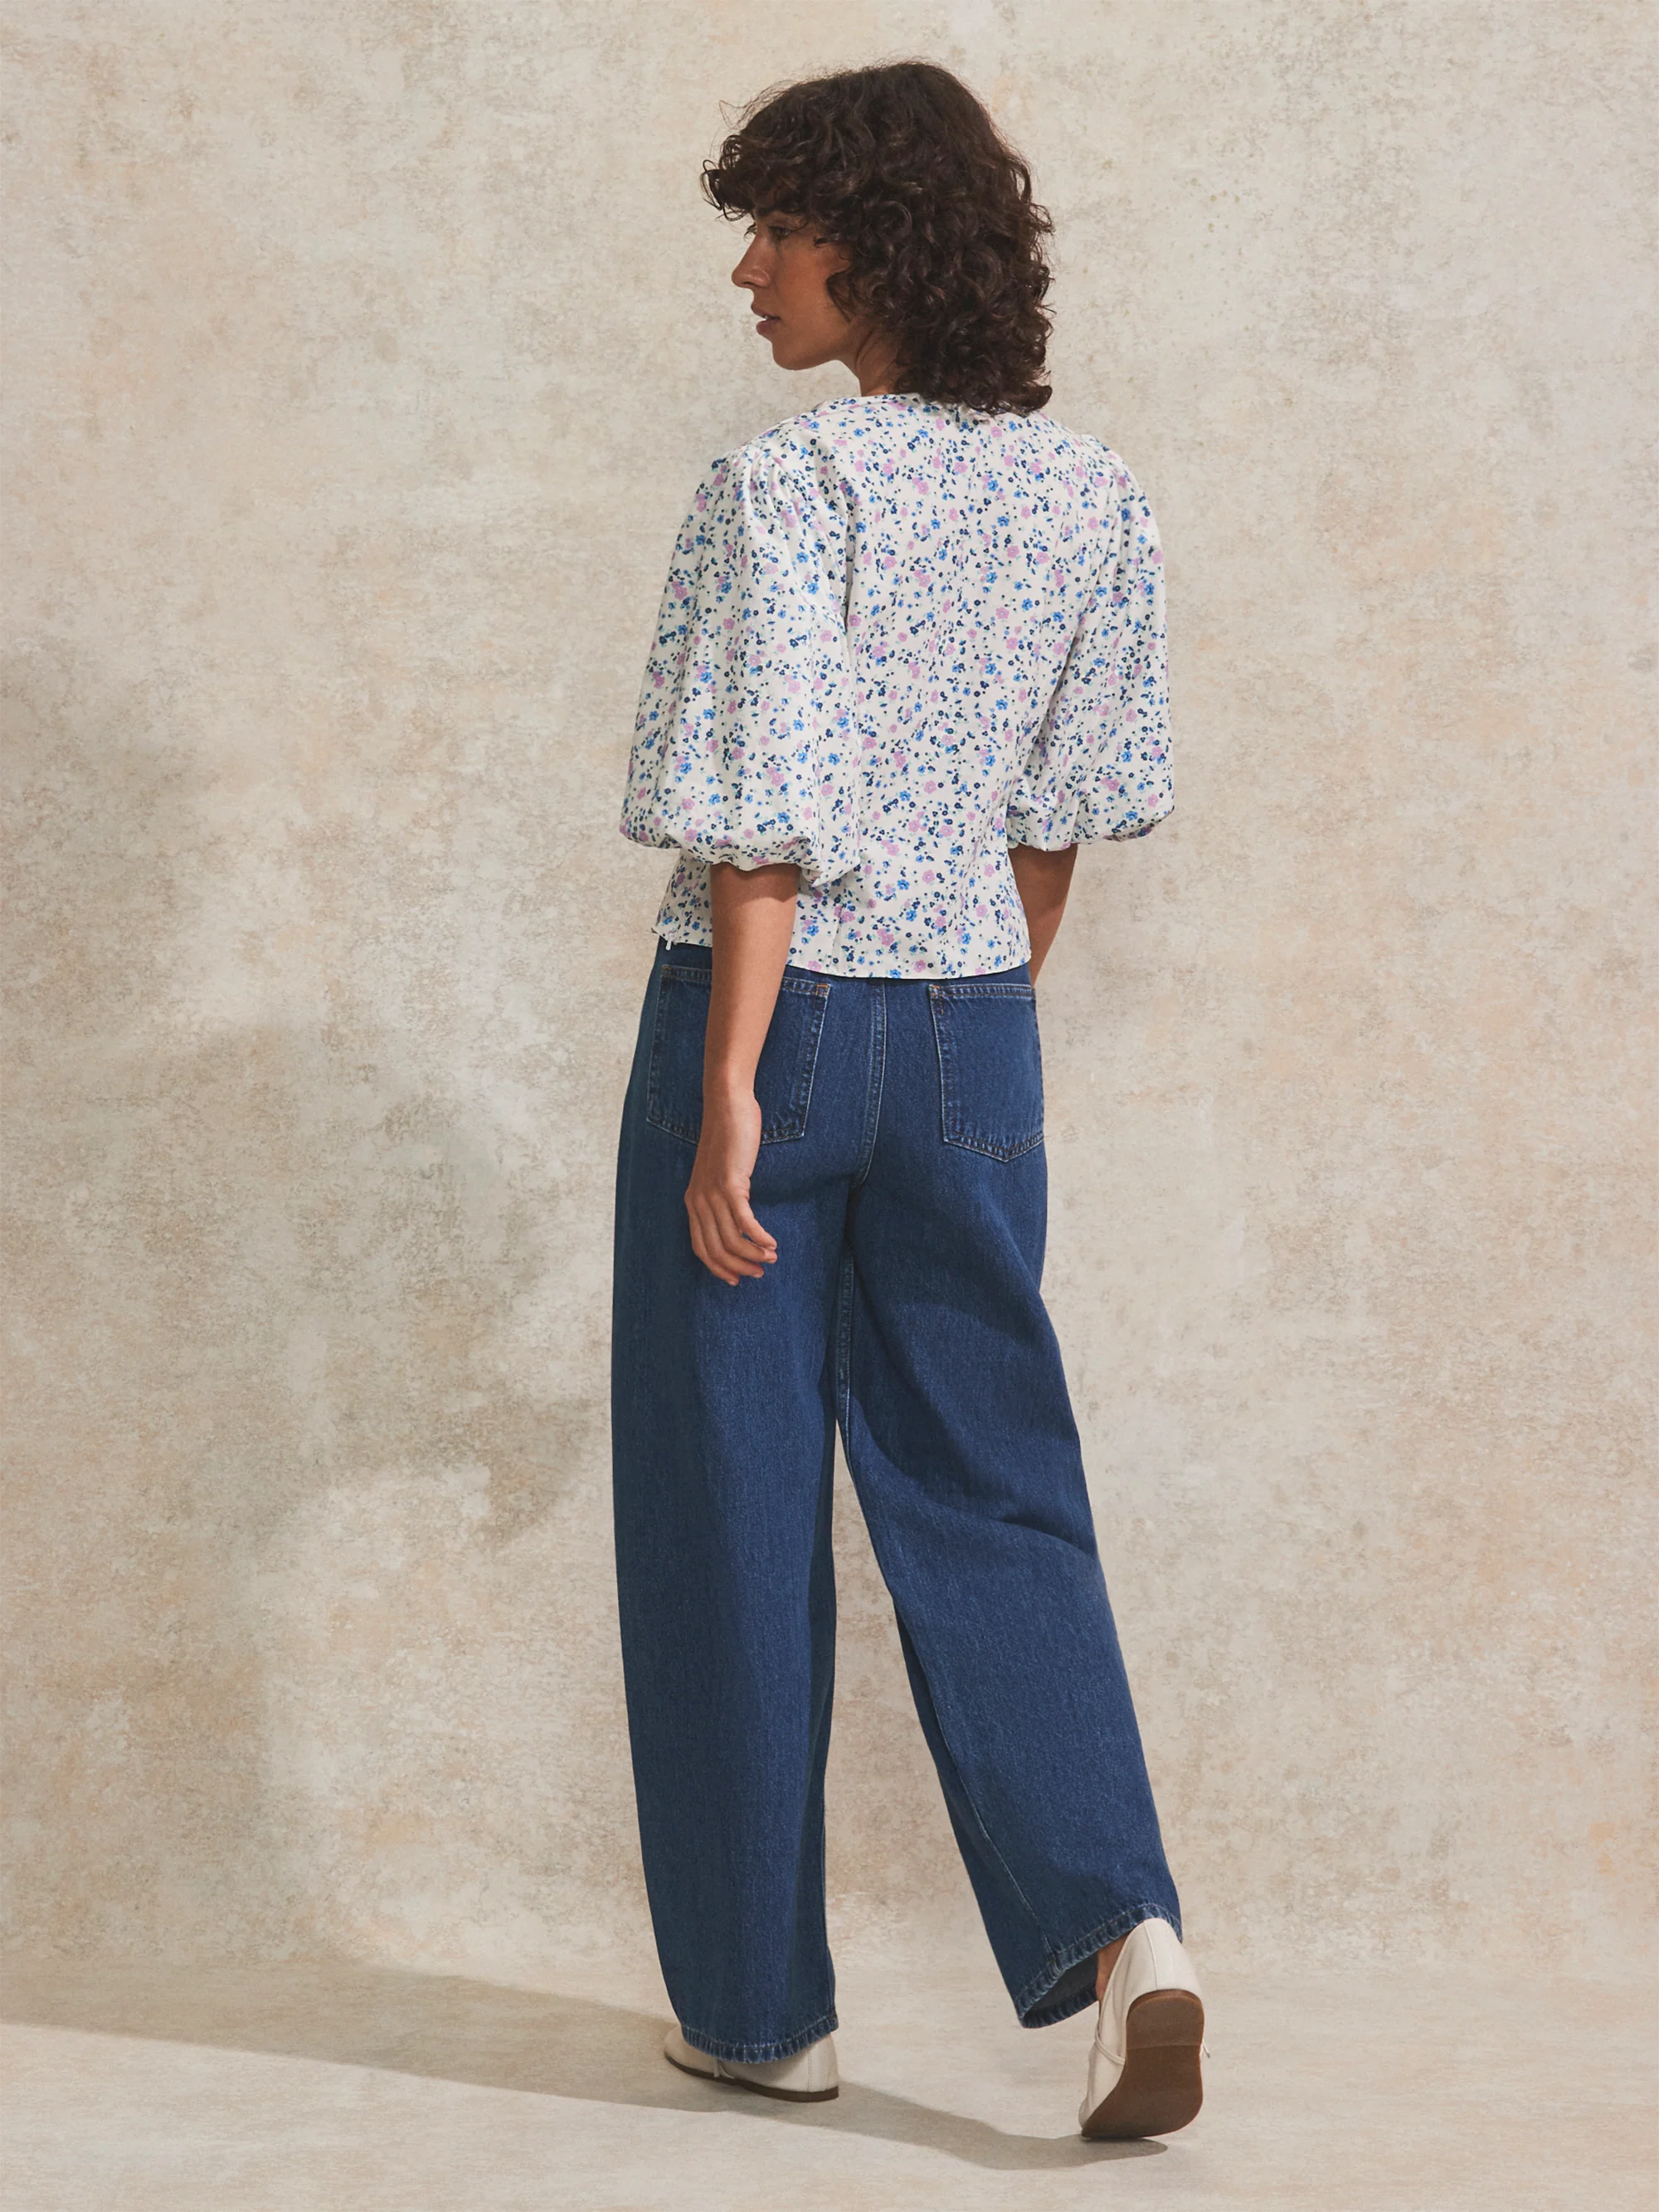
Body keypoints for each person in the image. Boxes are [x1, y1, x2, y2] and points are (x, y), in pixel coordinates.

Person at [610, 60, 1204, 2141]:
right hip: (972, 1023)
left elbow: (763, 822)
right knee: (993, 1482)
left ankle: (758, 2009)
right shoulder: (1090, 497)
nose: (750, 274)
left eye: (775, 232)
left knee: (728, 1497)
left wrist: (733, 1088)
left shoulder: (785, 488)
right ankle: (1128, 1932)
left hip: (768, 1019)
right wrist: (970, 1023)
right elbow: (1059, 818)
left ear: (865, 243)